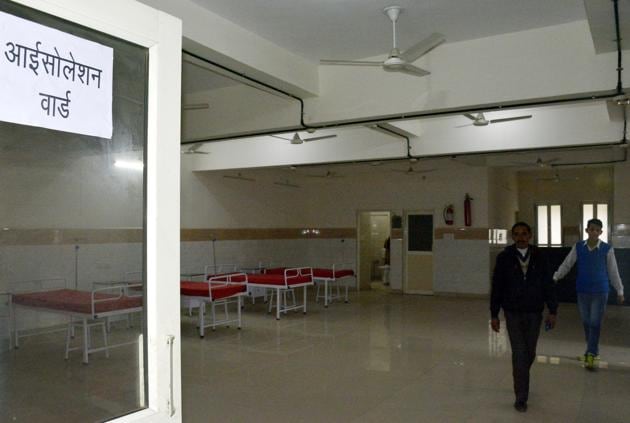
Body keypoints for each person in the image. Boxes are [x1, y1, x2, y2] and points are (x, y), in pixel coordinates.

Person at [490, 222, 557, 413]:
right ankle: (521, 397)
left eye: (524, 234)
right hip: (512, 312)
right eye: (517, 234)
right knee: (519, 353)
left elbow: (548, 285)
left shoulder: (540, 257)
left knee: (530, 352)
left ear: (530, 236)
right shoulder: (504, 258)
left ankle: (521, 375)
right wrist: (494, 314)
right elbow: (497, 287)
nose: (520, 237)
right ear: (512, 237)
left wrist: (553, 310)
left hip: (534, 312)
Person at [553, 218, 624, 370]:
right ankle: (593, 349)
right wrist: (556, 276)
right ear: (586, 230)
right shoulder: (578, 247)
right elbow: (567, 264)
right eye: (591, 229)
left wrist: (620, 289)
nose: (594, 232)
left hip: (600, 291)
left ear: (601, 232)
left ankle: (591, 353)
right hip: (583, 290)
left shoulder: (607, 249)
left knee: (594, 322)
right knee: (586, 322)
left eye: (597, 230)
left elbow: (613, 271)